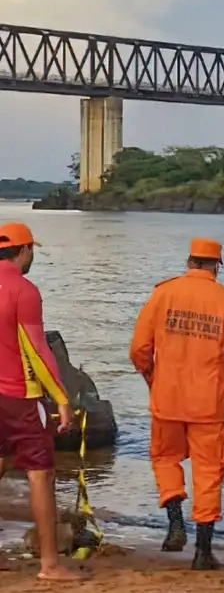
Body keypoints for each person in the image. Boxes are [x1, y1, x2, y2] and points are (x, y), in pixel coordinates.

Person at [129, 238, 224, 570]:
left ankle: (175, 522)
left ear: (189, 261)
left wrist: (155, 380)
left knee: (165, 458)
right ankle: (203, 552)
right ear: (217, 266)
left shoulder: (163, 294)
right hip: (207, 405)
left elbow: (139, 349)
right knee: (209, 473)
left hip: (166, 398)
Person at [0, 222, 87, 582]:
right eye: (31, 250)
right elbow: (37, 349)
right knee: (40, 473)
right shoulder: (24, 290)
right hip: (20, 395)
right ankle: (50, 565)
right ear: (24, 252)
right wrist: (62, 398)